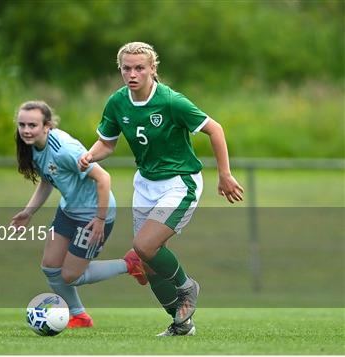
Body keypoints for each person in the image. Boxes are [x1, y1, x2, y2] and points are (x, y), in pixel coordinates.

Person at [78, 42, 244, 336]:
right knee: (147, 260)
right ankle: (181, 324)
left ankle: (187, 287)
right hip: (145, 183)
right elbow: (107, 142)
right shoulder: (117, 102)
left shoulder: (171, 101)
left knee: (144, 246)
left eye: (140, 68)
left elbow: (214, 129)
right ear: (120, 69)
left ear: (152, 69)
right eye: (127, 68)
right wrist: (91, 155)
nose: (133, 73)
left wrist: (225, 175)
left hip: (179, 182)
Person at [10, 100, 146, 328]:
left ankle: (131, 263)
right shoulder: (33, 147)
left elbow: (103, 178)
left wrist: (100, 219)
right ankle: (79, 316)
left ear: (47, 126)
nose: (26, 130)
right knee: (50, 267)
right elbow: (47, 179)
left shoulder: (64, 150)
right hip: (69, 210)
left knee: (70, 275)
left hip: (93, 214)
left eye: (32, 125)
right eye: (22, 125)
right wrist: (28, 212)